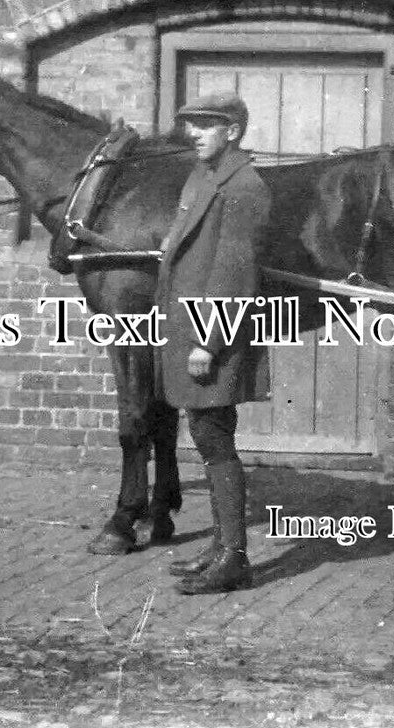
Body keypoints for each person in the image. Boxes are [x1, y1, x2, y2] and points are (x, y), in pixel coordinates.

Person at [156, 92, 271, 594]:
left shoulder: (243, 186)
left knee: (215, 439)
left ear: (234, 131)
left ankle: (235, 559)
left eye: (207, 125)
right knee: (206, 436)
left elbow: (233, 275)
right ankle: (222, 546)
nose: (195, 133)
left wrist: (209, 342)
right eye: (192, 124)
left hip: (213, 334)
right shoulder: (203, 176)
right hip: (189, 326)